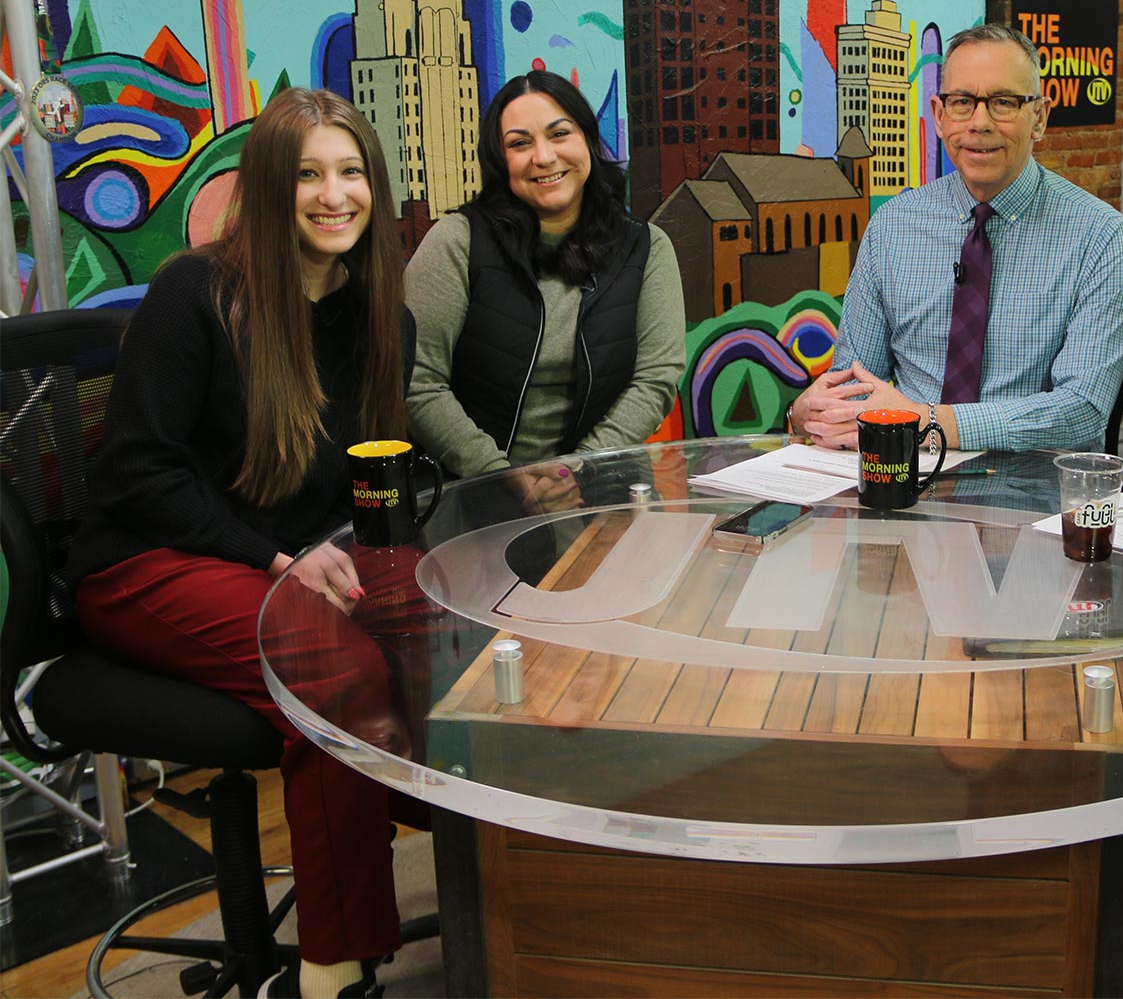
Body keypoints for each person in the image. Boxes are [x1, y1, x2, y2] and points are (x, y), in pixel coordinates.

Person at [67, 88, 419, 999]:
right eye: (307, 174)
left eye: (351, 172)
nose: (334, 194)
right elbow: (136, 474)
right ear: (268, 187)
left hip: (284, 562)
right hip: (145, 564)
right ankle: (330, 973)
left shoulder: (383, 316)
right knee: (336, 672)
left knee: (448, 626)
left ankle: (496, 891)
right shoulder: (198, 292)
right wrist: (277, 562)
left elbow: (355, 482)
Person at [789, 23, 1123, 453]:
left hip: (1030, 489)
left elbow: (1081, 412)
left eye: (1004, 102)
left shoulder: (1099, 235)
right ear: (938, 115)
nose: (979, 122)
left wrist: (930, 424)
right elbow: (855, 382)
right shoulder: (893, 226)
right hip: (903, 476)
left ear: (1040, 118)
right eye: (962, 102)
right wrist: (811, 411)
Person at [405, 70, 684, 509]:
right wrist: (502, 476)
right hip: (473, 497)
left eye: (559, 134)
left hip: (603, 491)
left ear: (588, 141)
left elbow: (656, 378)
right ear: (500, 161)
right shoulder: (457, 242)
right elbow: (419, 383)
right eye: (519, 143)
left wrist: (576, 469)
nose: (544, 156)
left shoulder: (646, 249)